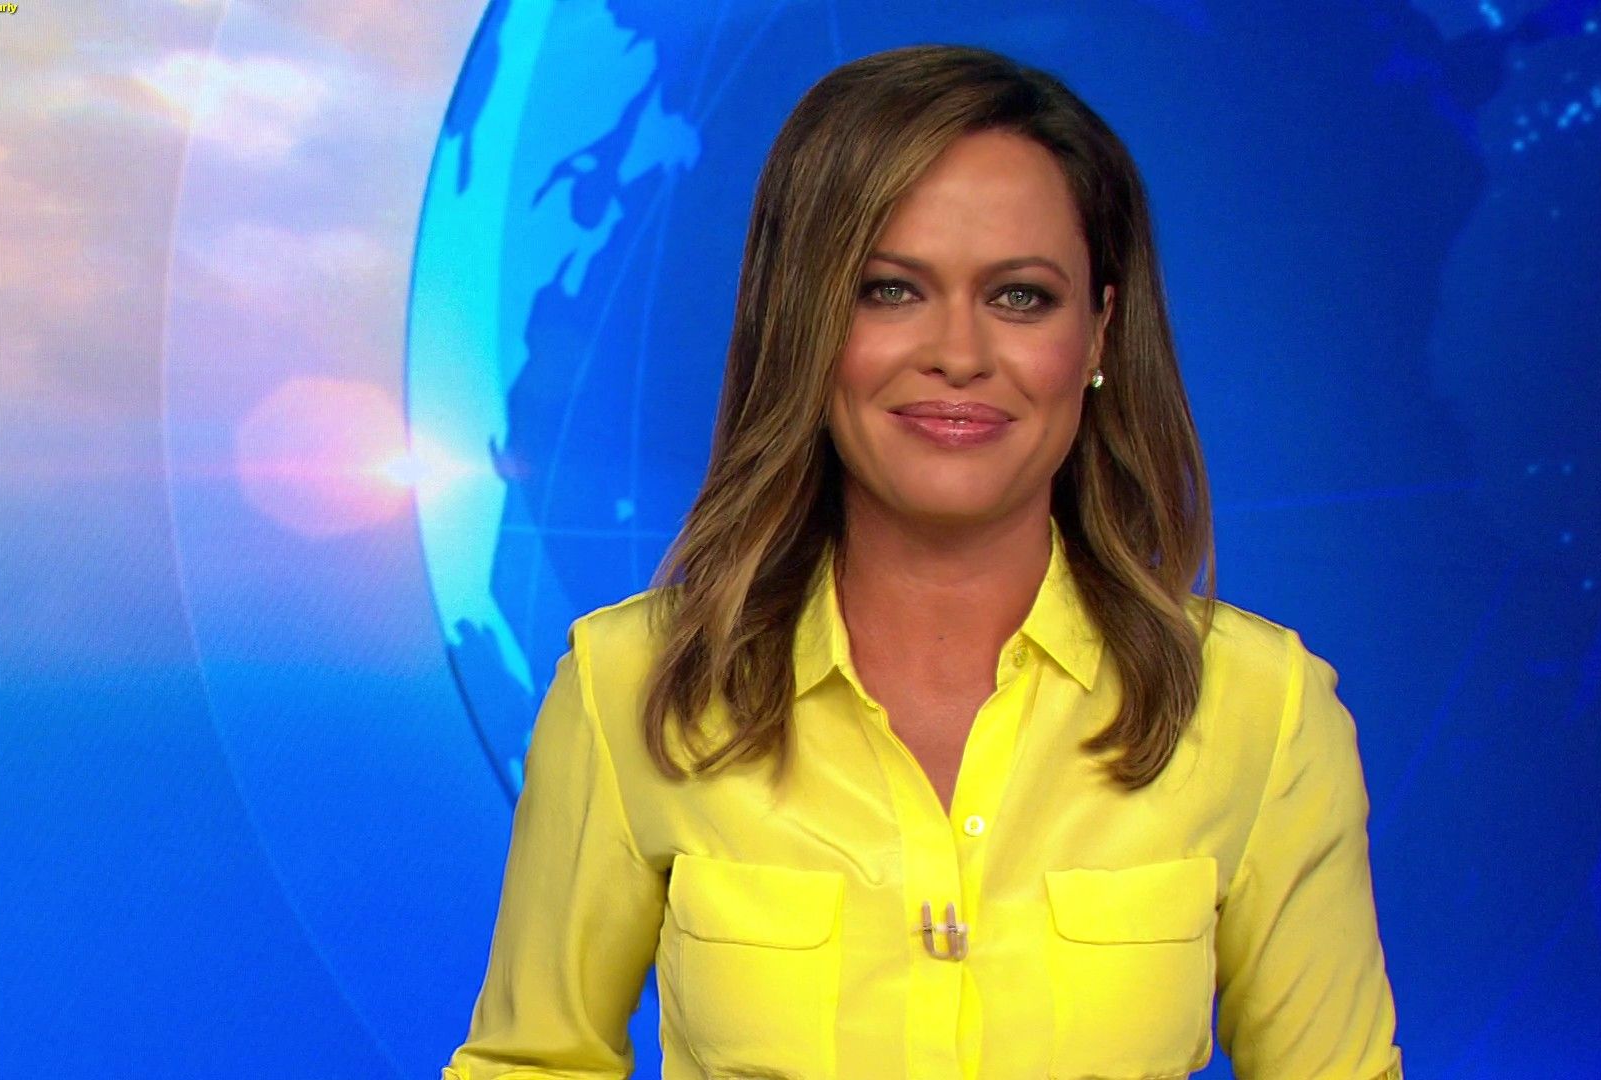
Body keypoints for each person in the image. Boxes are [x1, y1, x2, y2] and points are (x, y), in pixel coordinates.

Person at [442, 43, 1403, 1080]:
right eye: (889, 290)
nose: (958, 353)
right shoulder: (631, 687)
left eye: (1020, 297)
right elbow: (529, 1066)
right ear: (805, 322)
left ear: (1098, 334)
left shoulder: (1262, 710)